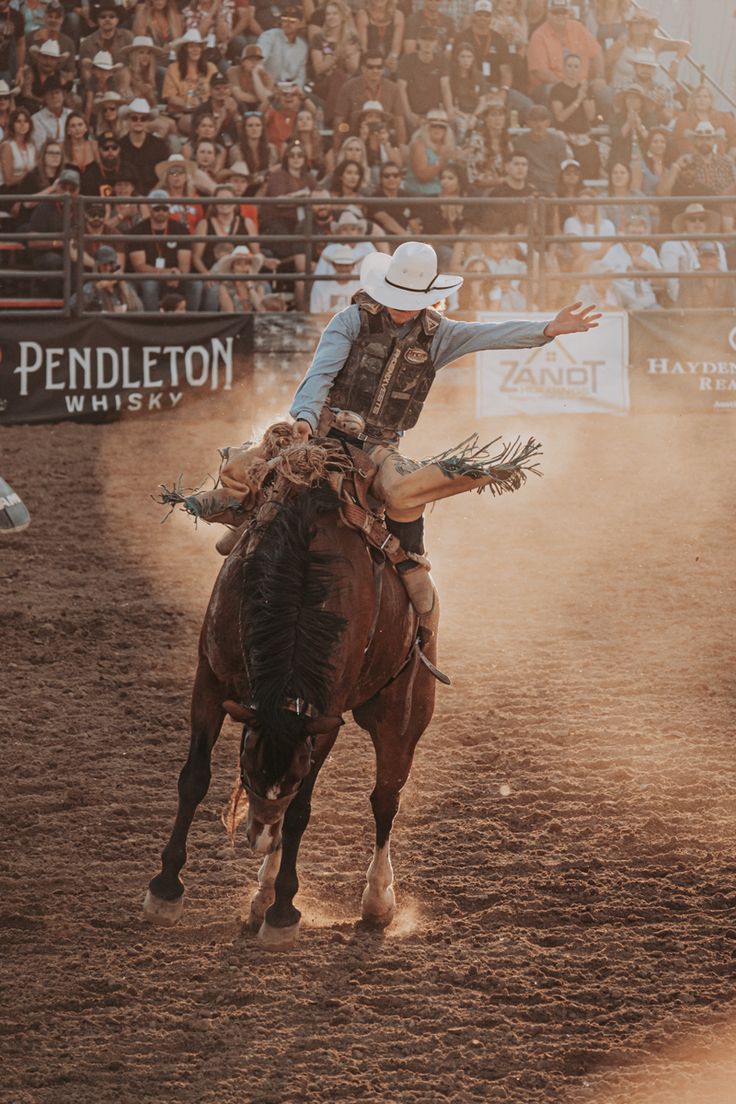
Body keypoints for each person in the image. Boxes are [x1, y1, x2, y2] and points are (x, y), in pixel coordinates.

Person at [285, 241, 599, 619]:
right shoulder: (350, 320)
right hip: (324, 432)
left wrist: (546, 329)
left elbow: (490, 334)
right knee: (262, 469)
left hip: (380, 447)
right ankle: (241, 513)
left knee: (405, 493)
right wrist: (303, 417)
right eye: (395, 294)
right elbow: (320, 374)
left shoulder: (440, 334)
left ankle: (410, 560)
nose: (401, 304)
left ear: (428, 297)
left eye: (410, 296)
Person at [512, 103, 568, 196]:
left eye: (542, 120)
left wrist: (556, 190)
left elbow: (563, 169)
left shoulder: (558, 142)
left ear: (548, 122)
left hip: (552, 187)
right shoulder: (519, 142)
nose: (539, 124)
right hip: (527, 187)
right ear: (528, 123)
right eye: (534, 120)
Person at [70, 243, 143, 313]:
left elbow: (139, 309)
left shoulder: (123, 286)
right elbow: (73, 306)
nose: (108, 268)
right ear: (98, 266)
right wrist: (97, 287)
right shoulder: (91, 286)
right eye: (104, 265)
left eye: (111, 264)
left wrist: (124, 287)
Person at [309, 241, 361, 312]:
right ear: (334, 265)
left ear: (353, 266)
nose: (343, 269)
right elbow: (315, 313)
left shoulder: (360, 287)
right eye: (340, 265)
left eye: (347, 265)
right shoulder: (320, 285)